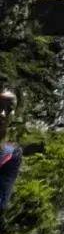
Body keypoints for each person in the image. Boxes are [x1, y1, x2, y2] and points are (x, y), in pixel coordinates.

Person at [0, 88, 22, 216]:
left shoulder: (12, 154)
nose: (2, 113)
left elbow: (2, 201)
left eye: (9, 109)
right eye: (0, 106)